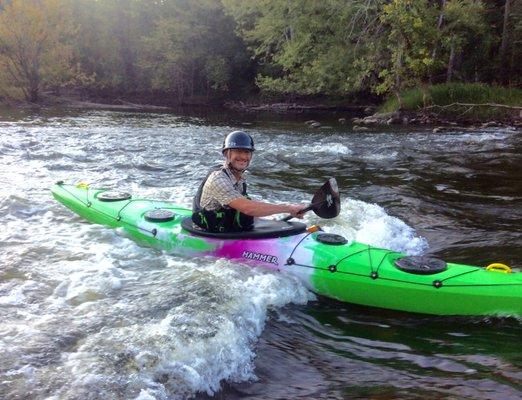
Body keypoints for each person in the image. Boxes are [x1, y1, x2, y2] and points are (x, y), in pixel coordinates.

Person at [192, 131, 306, 232]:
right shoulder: (218, 179)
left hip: (227, 228)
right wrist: (289, 208)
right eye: (238, 151)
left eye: (247, 152)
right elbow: (248, 208)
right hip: (208, 232)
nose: (243, 156)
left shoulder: (240, 179)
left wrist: (272, 222)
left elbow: (245, 209)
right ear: (226, 154)